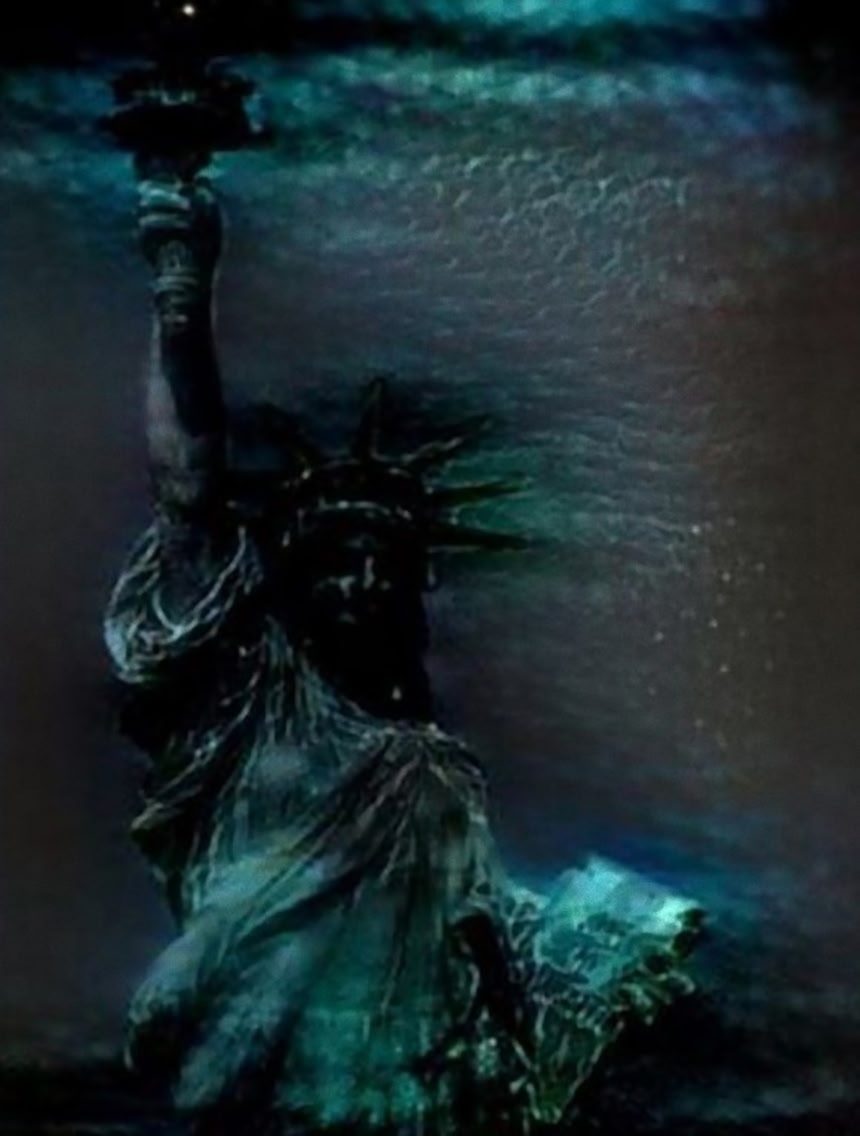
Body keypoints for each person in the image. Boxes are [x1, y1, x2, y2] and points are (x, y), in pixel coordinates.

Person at [104, 175, 702, 1136]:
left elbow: (483, 935)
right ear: (296, 578)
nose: (366, 582)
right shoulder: (246, 701)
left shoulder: (436, 769)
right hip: (261, 1082)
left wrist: (600, 956)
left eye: (388, 565)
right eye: (341, 561)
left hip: (419, 1097)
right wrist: (182, 293)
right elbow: (188, 495)